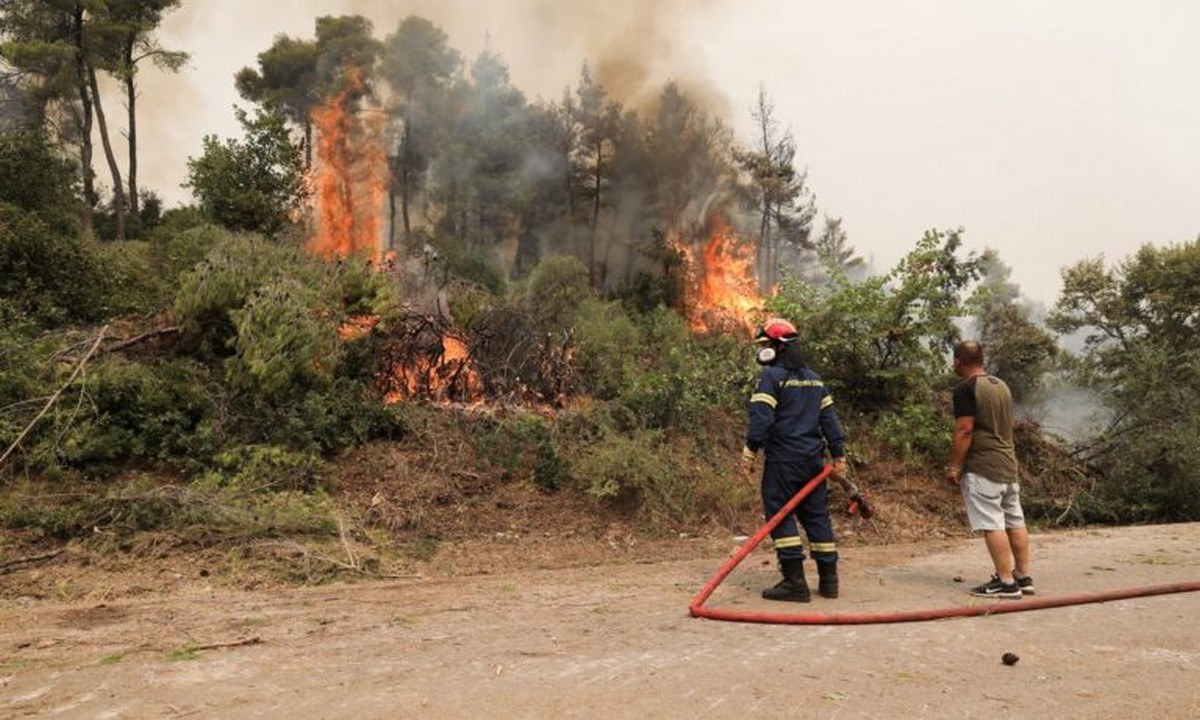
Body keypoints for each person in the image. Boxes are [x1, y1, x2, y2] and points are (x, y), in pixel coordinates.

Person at [741, 318, 848, 602]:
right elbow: (831, 421)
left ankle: (794, 583)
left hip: (783, 463)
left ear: (779, 346)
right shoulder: (815, 379)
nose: (763, 351)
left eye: (766, 345)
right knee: (816, 517)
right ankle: (829, 582)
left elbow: (761, 418)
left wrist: (750, 450)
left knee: (780, 514)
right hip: (813, 463)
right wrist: (839, 455)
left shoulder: (771, 378)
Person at [947, 340, 1034, 599]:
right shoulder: (1001, 386)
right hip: (1008, 463)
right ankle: (1022, 576)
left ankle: (1005, 583)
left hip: (983, 466)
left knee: (992, 523)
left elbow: (964, 430)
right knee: (1014, 520)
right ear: (982, 360)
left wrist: (955, 466)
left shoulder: (965, 389)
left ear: (958, 362)